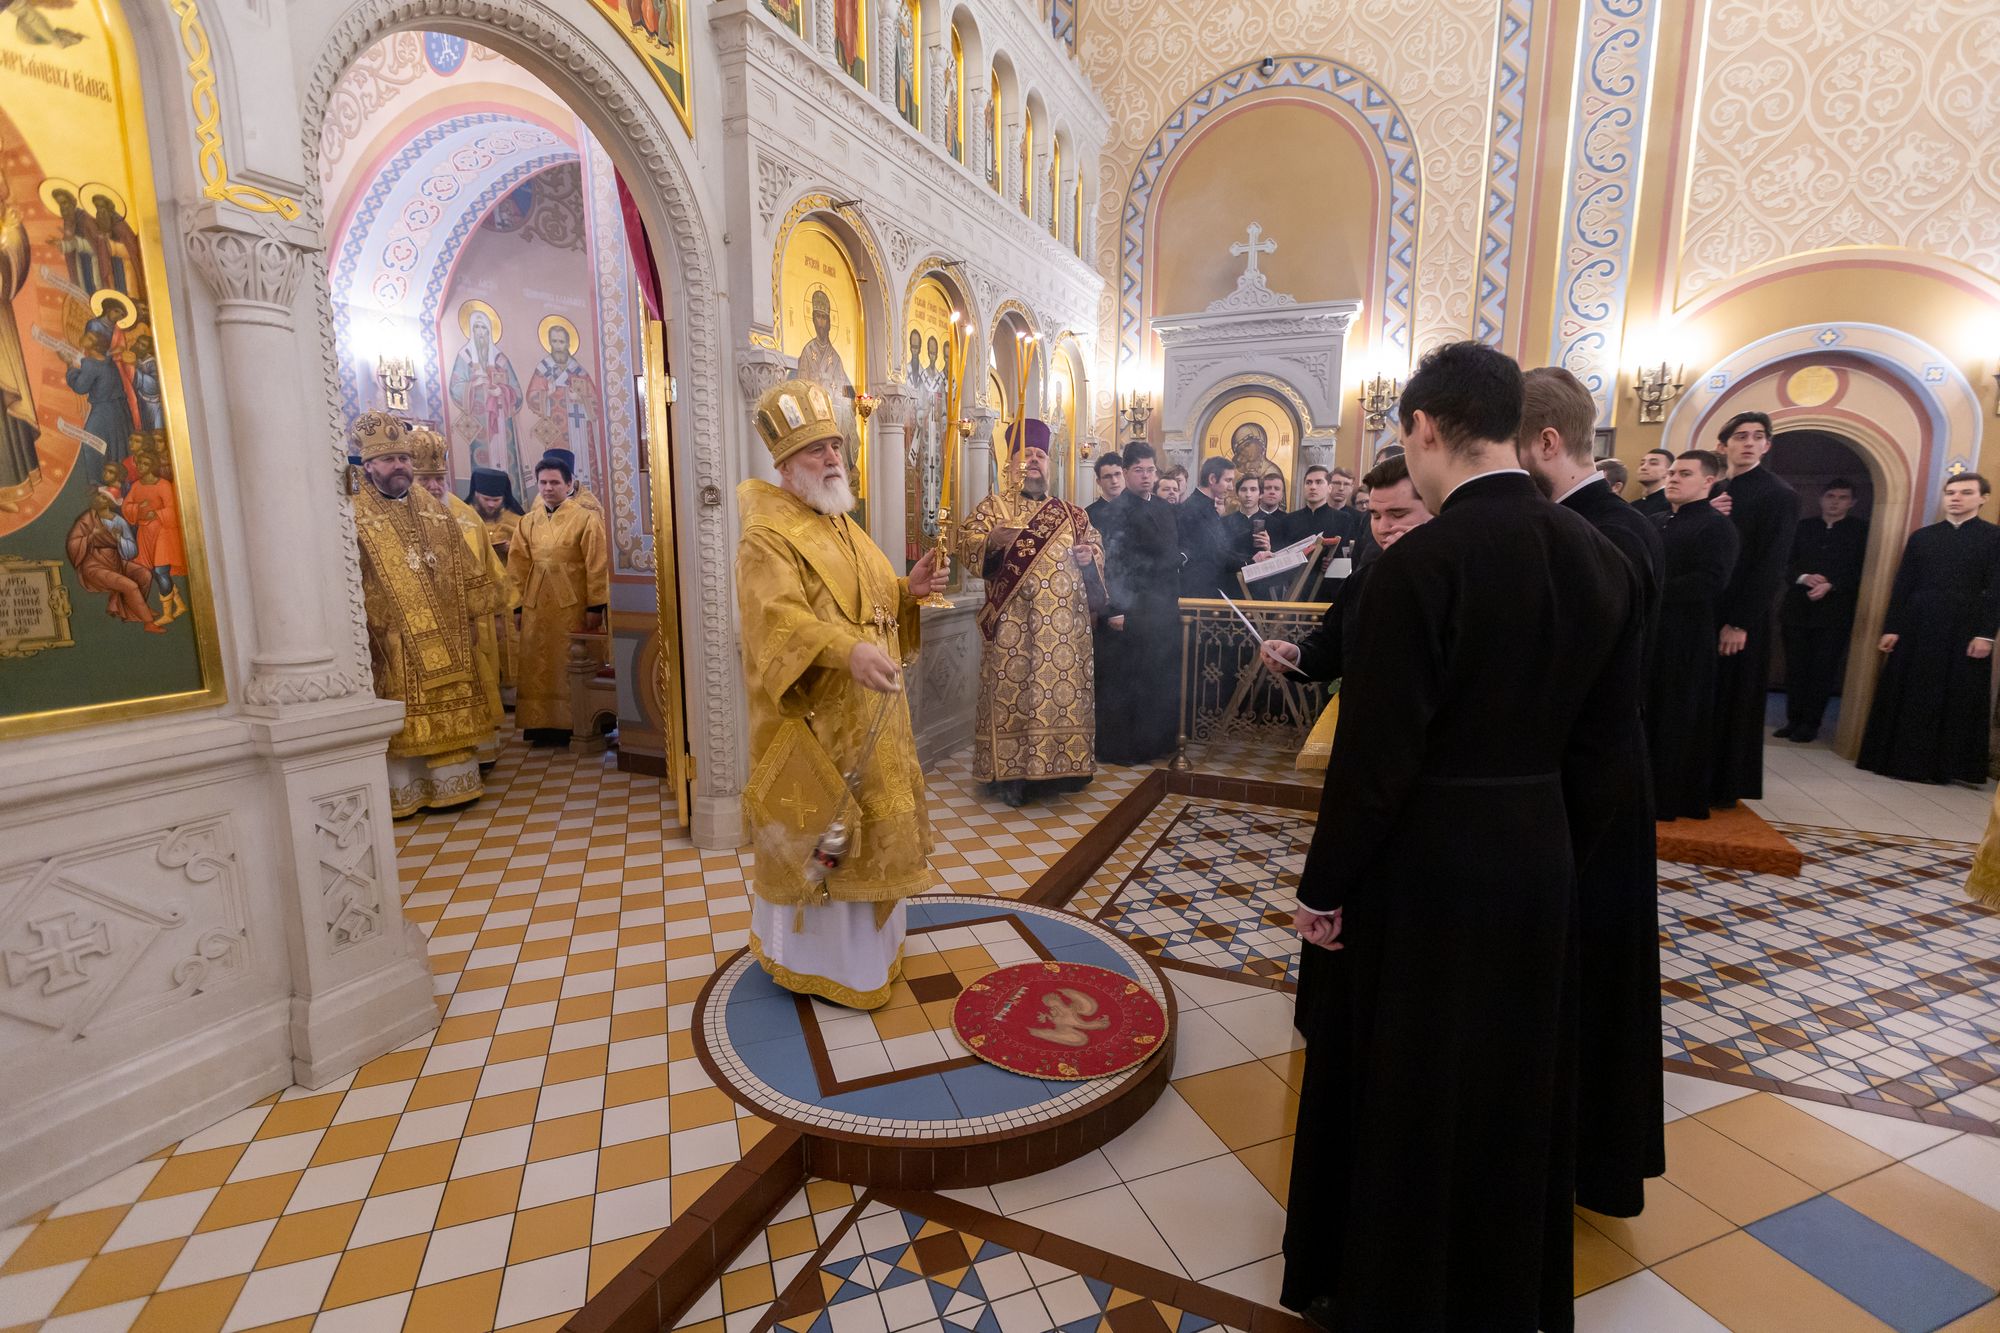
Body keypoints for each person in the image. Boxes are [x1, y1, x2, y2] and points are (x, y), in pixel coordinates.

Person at [1281, 342, 1636, 1333]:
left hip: (1425, 865)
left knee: (1411, 1076)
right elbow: (1609, 752)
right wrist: (1551, 847)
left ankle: (1393, 1289)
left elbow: (1375, 761)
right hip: (1541, 854)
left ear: (1426, 429)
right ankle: (1495, 1289)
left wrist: (1322, 887)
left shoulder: (1419, 567)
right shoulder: (1599, 557)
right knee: (1509, 1078)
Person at [735, 377, 947, 1009]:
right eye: (816, 449)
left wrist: (907, 590)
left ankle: (872, 957)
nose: (833, 457)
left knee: (871, 838)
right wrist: (845, 651)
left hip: (872, 717)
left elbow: (868, 603)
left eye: (835, 445)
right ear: (785, 463)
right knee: (828, 843)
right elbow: (776, 623)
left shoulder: (839, 522)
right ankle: (818, 965)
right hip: (820, 723)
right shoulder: (767, 534)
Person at [1517, 365, 1664, 1219]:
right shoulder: (1610, 523)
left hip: (1591, 789)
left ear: (1544, 442)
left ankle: (1582, 1156)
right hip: (1598, 772)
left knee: (1593, 978)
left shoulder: (1599, 534)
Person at [1258, 452, 1430, 1034]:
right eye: (1376, 515)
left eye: (1399, 514)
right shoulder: (1368, 577)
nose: (1385, 528)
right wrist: (1295, 655)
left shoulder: (1446, 582)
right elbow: (1330, 646)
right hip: (1362, 756)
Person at [349, 413, 500, 816]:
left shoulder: (434, 509)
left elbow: (465, 565)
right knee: (401, 710)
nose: (399, 466)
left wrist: (472, 619)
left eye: (404, 458)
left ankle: (455, 784)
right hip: (390, 639)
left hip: (449, 633)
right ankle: (409, 792)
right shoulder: (352, 514)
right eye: (389, 459)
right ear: (369, 465)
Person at [954, 420, 1101, 805]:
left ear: (1049, 465)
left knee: (1061, 700)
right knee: (1015, 697)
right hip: (1014, 629)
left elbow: (1097, 550)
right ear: (1011, 464)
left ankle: (1065, 770)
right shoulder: (994, 507)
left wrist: (1091, 555)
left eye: (1040, 455)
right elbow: (965, 545)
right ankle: (1011, 776)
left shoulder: (1073, 514)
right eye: (1027, 455)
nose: (1035, 461)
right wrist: (992, 540)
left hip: (1067, 634)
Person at [1859, 473, 2000, 784]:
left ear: (1983, 498)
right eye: (1950, 492)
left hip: (1965, 628)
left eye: (1965, 492)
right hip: (1917, 625)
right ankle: (1901, 760)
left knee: (1956, 695)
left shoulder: (1994, 538)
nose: (1955, 498)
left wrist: (1986, 634)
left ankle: (1946, 766)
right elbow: (1903, 585)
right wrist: (1892, 627)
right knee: (1912, 690)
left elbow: (1997, 590)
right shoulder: (1922, 537)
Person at [1708, 411, 1796, 807]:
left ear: (1767, 445)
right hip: (1709, 606)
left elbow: (1771, 565)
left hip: (1742, 613)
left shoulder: (1779, 494)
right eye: (1740, 436)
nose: (1749, 442)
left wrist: (1740, 622)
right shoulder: (1716, 489)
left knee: (1734, 697)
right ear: (1722, 445)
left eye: (1757, 436)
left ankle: (1725, 785)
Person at [1649, 451, 1739, 820]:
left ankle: (1669, 797)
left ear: (1708, 482)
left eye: (1684, 473)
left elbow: (1710, 580)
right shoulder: (1656, 520)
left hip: (1686, 635)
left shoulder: (1716, 526)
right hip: (1651, 631)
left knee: (1676, 715)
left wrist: (1652, 590)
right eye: (1671, 472)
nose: (1673, 478)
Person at [411, 429, 510, 765]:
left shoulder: (465, 515)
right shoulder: (399, 518)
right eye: (425, 479)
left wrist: (498, 615)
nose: (434, 487)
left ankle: (482, 754)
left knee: (480, 682)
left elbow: (491, 568)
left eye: (439, 479)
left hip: (473, 622)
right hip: (426, 624)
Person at [508, 452, 611, 747]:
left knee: (571, 659)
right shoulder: (527, 522)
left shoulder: (586, 519)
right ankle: (541, 725)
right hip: (536, 604)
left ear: (569, 484)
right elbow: (516, 567)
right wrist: (517, 606)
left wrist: (596, 606)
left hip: (573, 603)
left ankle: (578, 721)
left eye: (554, 482)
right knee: (537, 661)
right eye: (543, 483)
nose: (548, 488)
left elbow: (597, 564)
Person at [1099, 442, 1180, 764]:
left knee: (1157, 677)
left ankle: (1156, 744)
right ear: (1126, 472)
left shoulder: (1163, 507)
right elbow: (1110, 562)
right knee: (1129, 681)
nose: (1146, 476)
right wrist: (1115, 609)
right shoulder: (1115, 511)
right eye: (1138, 471)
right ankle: (1126, 749)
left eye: (1150, 470)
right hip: (1131, 610)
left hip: (1162, 607)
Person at [1778, 478, 1869, 743]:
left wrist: (1833, 584)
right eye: (1831, 496)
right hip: (1797, 610)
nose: (1835, 502)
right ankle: (1793, 720)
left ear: (1852, 502)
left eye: (1842, 497)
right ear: (1821, 499)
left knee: (1822, 670)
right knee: (1795, 668)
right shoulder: (1803, 527)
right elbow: (1784, 562)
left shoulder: (1861, 531)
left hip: (1834, 614)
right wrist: (1803, 577)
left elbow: (1863, 570)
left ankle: (1811, 723)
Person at [468, 467, 524, 704]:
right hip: (477, 593)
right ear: (475, 494)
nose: (491, 505)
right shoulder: (464, 517)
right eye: (486, 499)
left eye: (496, 500)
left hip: (509, 591)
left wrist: (513, 548)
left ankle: (513, 694)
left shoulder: (517, 520)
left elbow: (532, 553)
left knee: (512, 639)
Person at [1177, 455, 1240, 598]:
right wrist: (1249, 562)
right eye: (1228, 480)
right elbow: (1214, 553)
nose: (1231, 487)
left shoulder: (1206, 506)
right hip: (1199, 591)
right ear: (1212, 479)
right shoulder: (1194, 509)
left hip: (1207, 587)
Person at [1085, 453, 1124, 532]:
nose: (1114, 481)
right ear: (1099, 482)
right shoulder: (1088, 515)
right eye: (1107, 477)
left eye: (1117, 474)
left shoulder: (1138, 509)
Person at [1632, 449, 1674, 516]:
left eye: (1653, 463)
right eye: (1642, 463)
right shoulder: (1633, 505)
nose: (1643, 467)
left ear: (1668, 471)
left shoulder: (1671, 505)